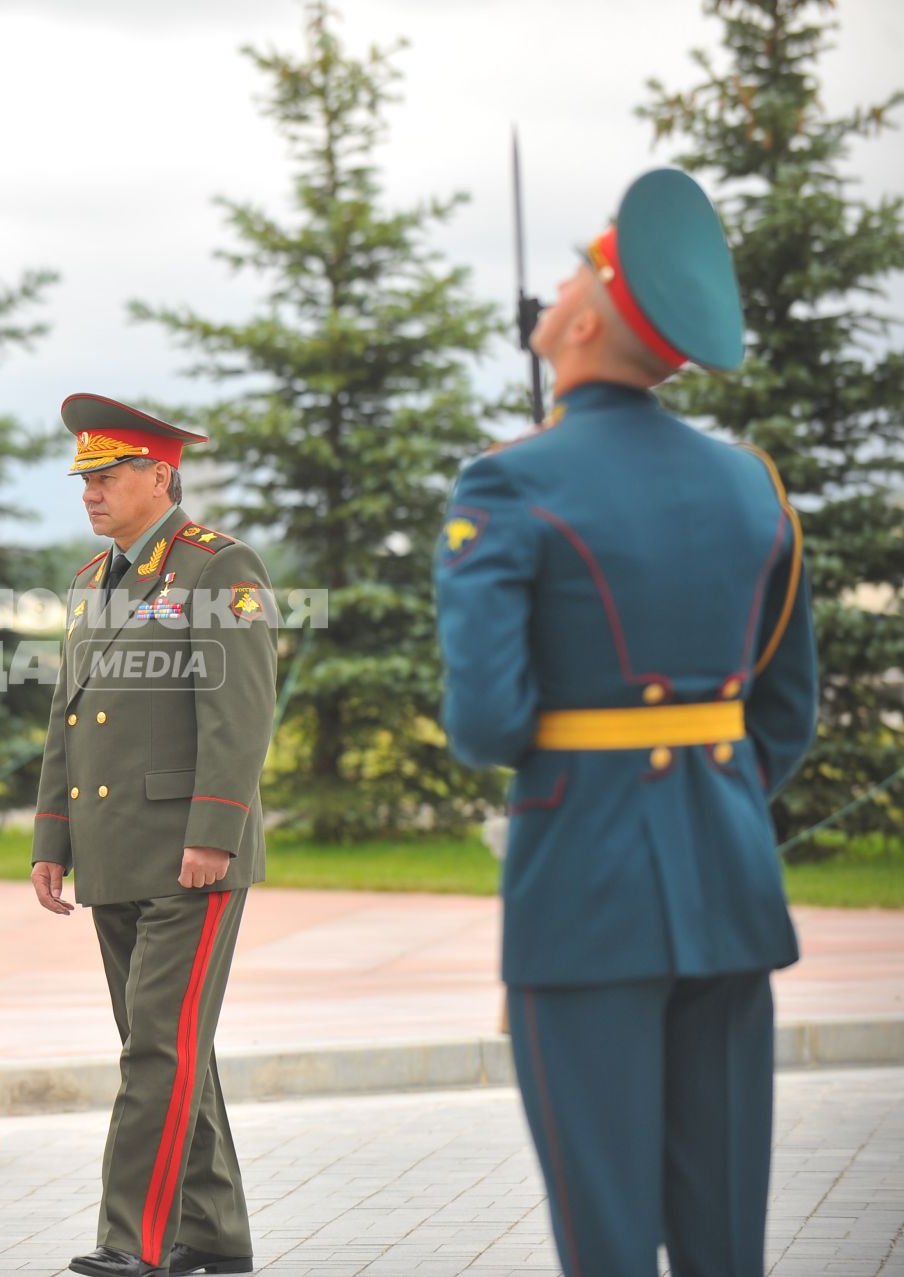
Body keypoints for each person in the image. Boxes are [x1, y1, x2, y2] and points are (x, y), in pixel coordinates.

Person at [433, 168, 816, 1275]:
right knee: (723, 1235)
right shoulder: (755, 485)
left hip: (584, 888)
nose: (552, 288)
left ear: (587, 319)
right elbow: (783, 712)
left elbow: (489, 723)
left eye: (571, 273)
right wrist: (711, 793)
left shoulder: (505, 484)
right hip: (733, 883)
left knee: (605, 1237)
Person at [31, 394, 279, 1277]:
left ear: (159, 476)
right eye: (85, 478)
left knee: (157, 1047)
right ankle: (214, 1234)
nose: (90, 493)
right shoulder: (95, 578)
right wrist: (51, 836)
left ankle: (129, 1240)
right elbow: (70, 719)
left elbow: (239, 717)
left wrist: (216, 830)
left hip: (189, 856)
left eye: (107, 476)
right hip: (113, 851)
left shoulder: (219, 569)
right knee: (172, 1046)